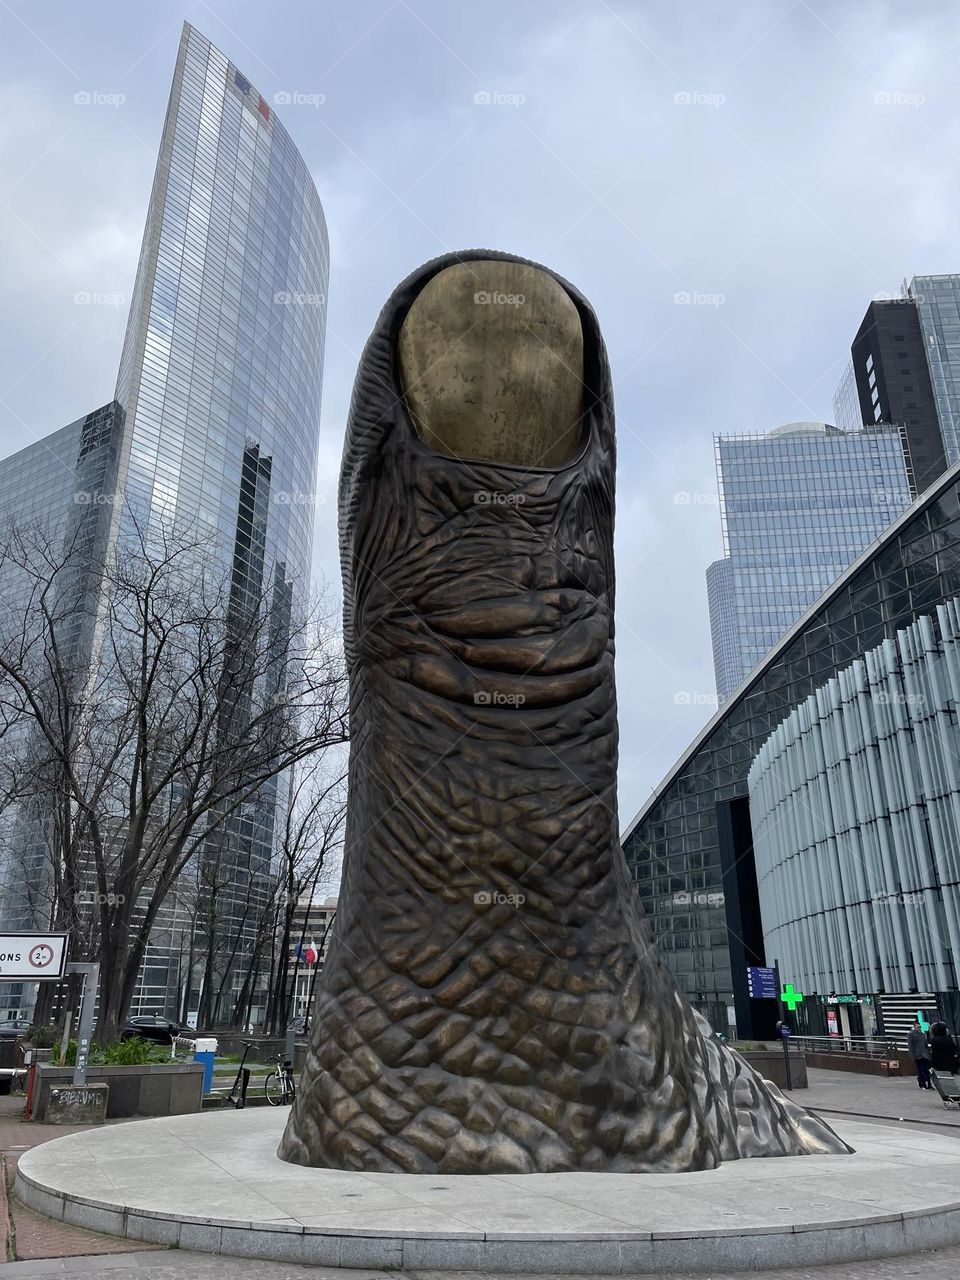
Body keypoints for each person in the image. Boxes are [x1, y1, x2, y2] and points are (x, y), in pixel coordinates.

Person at [907, 1020, 933, 1089]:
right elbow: (910, 1046)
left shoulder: (922, 1034)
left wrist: (929, 1055)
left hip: (925, 1055)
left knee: (927, 1070)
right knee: (921, 1070)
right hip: (917, 1055)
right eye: (918, 1027)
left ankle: (929, 1084)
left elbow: (926, 1045)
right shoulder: (911, 1034)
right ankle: (923, 1084)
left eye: (920, 1027)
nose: (919, 1028)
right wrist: (912, 1056)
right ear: (914, 1027)